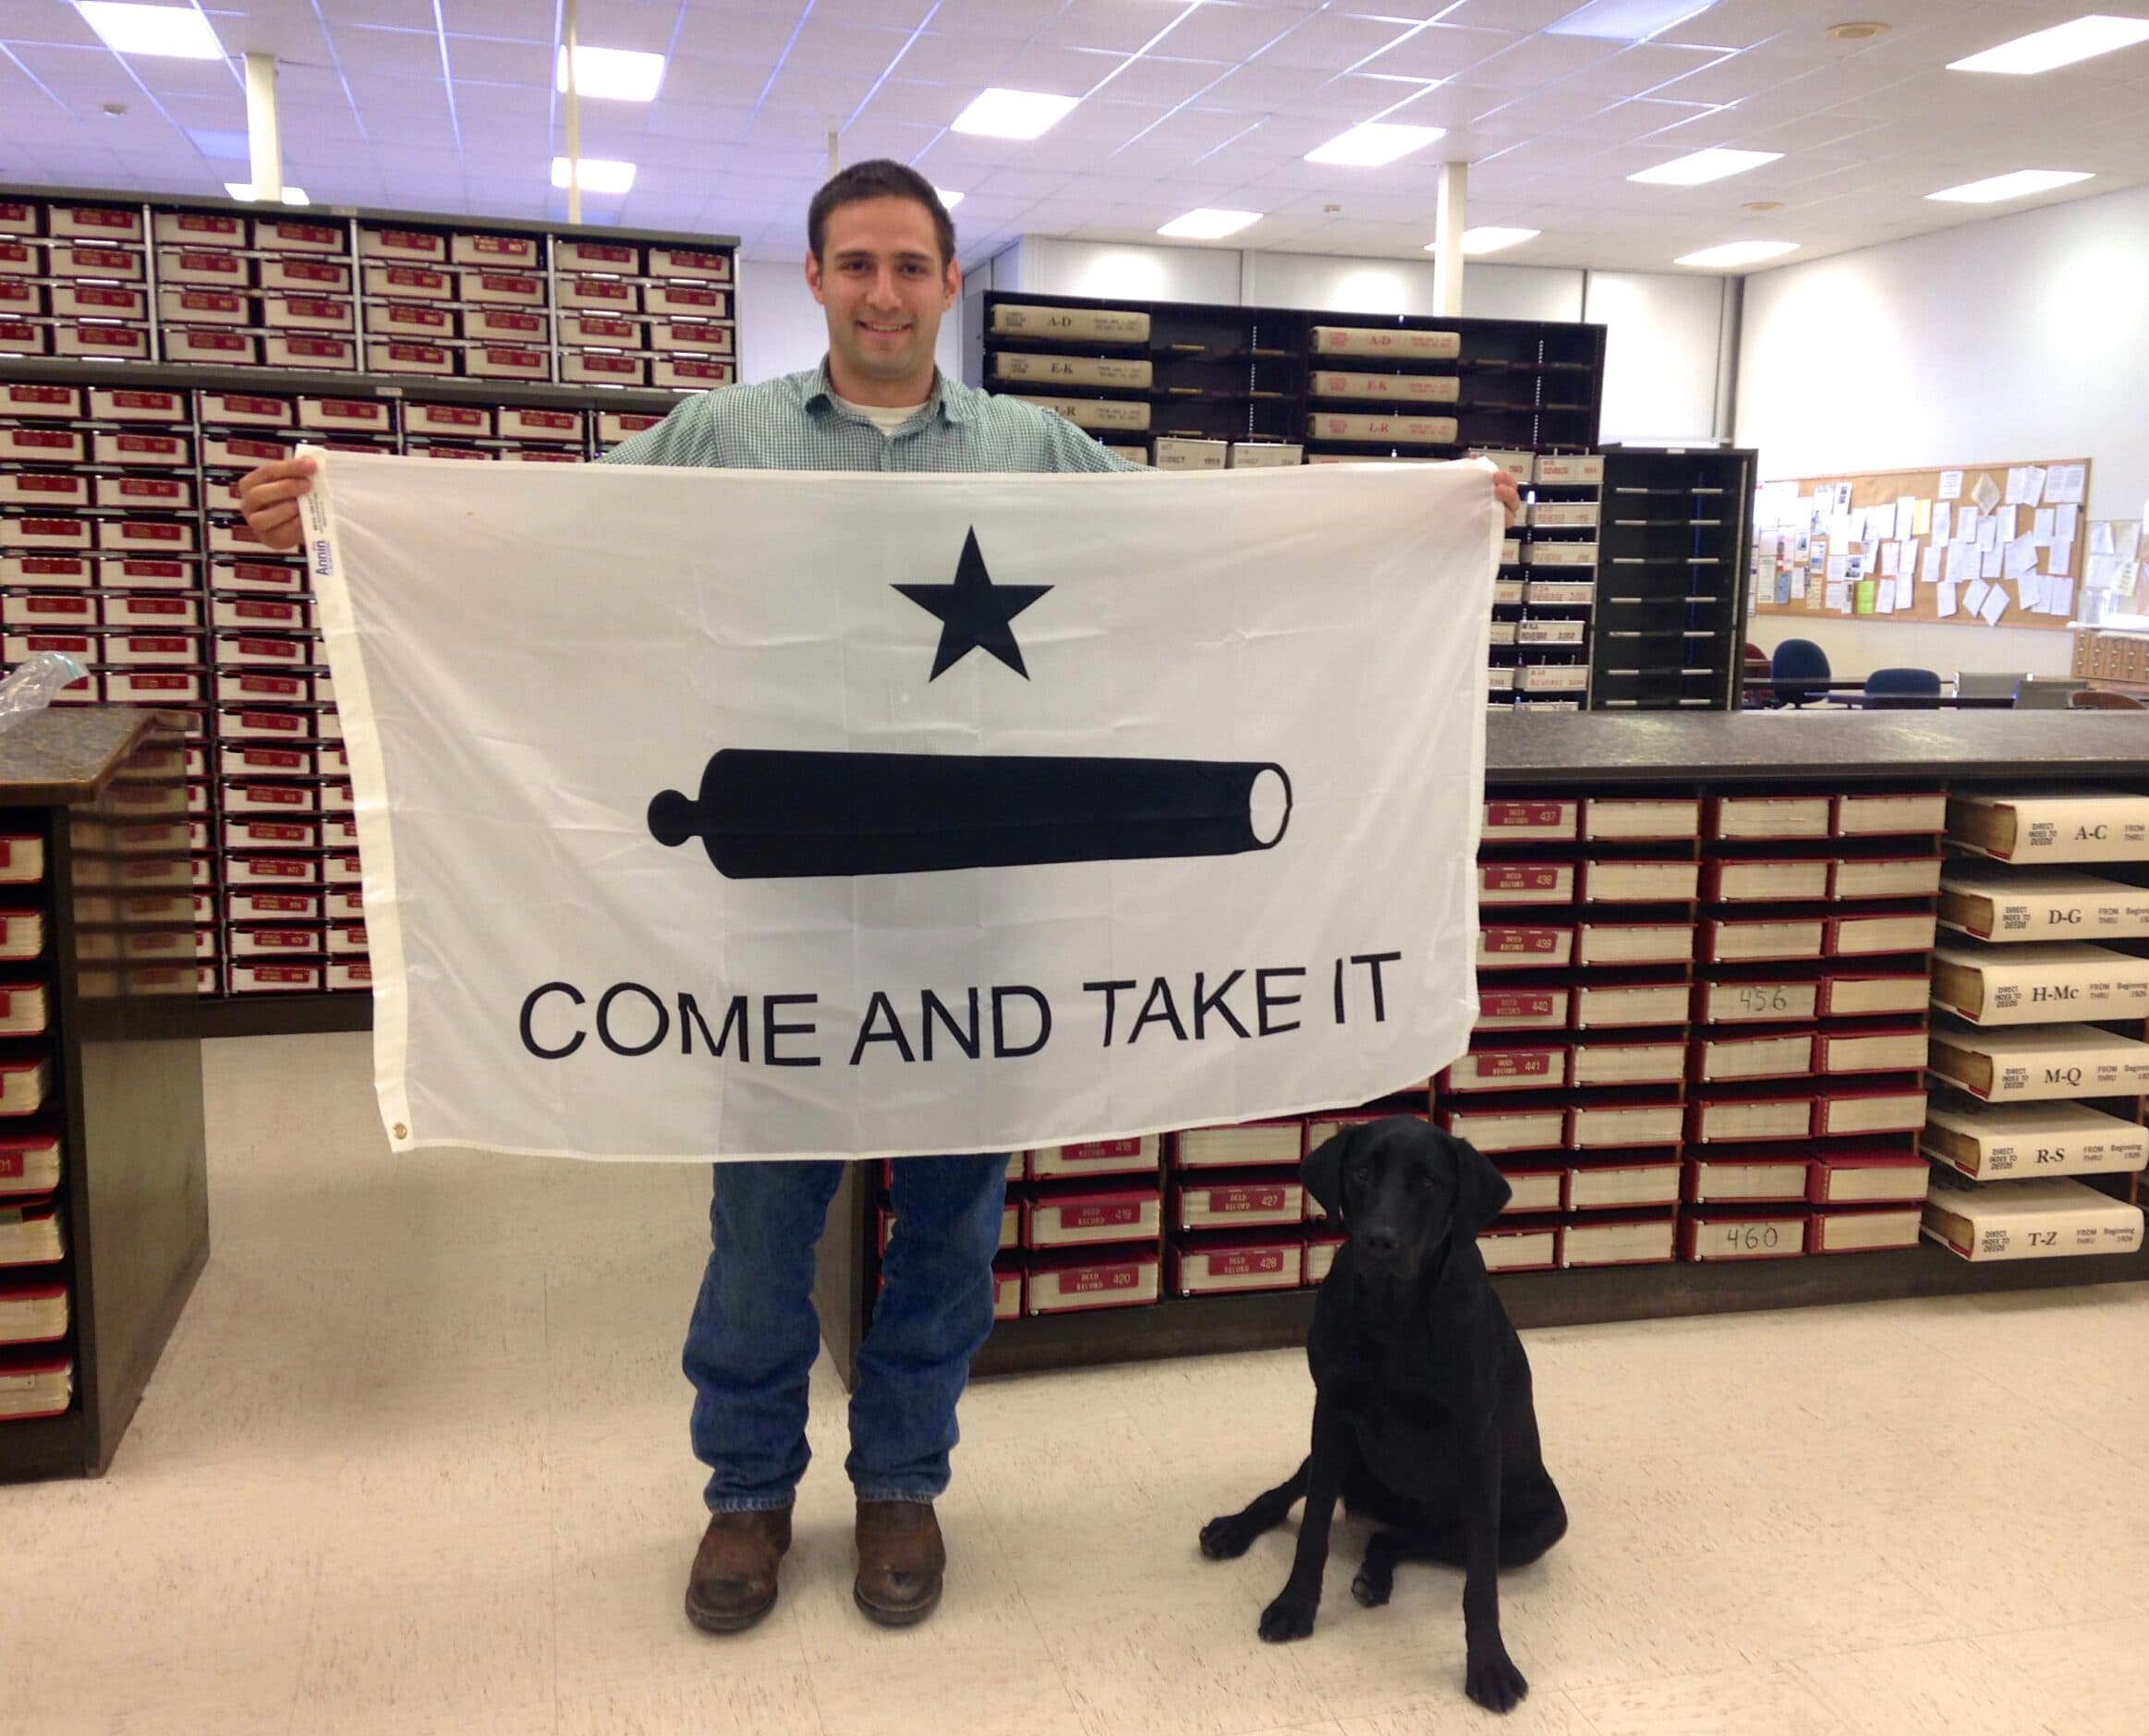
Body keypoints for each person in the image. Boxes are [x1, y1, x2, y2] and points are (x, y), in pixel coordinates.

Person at [236, 157, 1520, 1638]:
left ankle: (904, 1476)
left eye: (912, 266)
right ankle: (747, 1496)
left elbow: (1202, 563)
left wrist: (1429, 517)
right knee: (764, 1231)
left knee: (954, 1226)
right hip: (790, 921)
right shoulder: (726, 435)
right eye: (857, 265)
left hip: (981, 920)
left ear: (949, 285)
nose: (886, 293)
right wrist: (352, 514)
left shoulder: (1034, 448)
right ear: (817, 277)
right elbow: (546, 541)